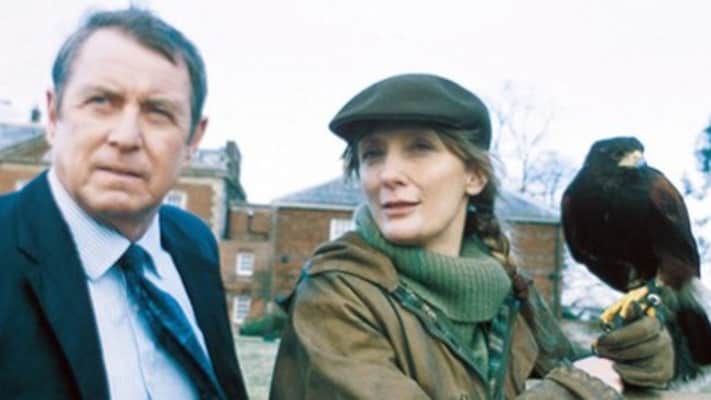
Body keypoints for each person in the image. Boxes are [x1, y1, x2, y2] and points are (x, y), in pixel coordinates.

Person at [269, 73, 674, 399]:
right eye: (372, 154)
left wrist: (626, 361)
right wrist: (580, 390)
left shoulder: (505, 290)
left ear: (475, 176)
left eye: (419, 148)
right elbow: (576, 385)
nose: (388, 174)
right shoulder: (334, 295)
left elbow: (572, 370)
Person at [0, 8, 248, 399]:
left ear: (193, 140)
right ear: (53, 115)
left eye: (158, 112)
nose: (126, 137)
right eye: (100, 101)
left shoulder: (193, 244)